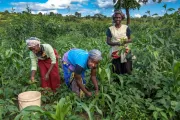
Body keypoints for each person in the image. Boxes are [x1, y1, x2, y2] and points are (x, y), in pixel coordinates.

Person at [106, 10, 132, 75]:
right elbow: (108, 42)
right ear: (114, 18)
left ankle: (127, 80)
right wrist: (117, 43)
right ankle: (117, 82)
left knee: (127, 66)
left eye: (119, 17)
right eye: (116, 17)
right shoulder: (110, 29)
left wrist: (125, 41)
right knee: (116, 67)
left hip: (125, 49)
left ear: (122, 18)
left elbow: (130, 39)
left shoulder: (126, 28)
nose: (118, 19)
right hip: (115, 50)